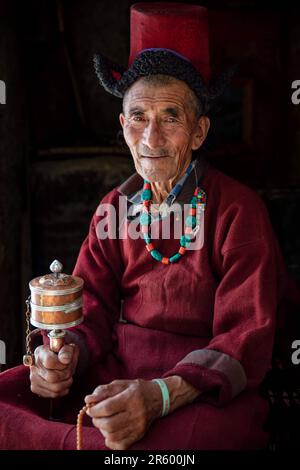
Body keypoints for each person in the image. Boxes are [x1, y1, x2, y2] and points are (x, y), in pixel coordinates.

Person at [0, 2, 299, 451]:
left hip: (202, 389)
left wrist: (159, 396)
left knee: (188, 443)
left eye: (171, 118)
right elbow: (91, 309)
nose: (150, 139)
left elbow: (245, 340)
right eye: (138, 117)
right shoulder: (113, 209)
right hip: (119, 373)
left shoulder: (239, 211)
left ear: (199, 132)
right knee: (9, 396)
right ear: (123, 126)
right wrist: (60, 359)